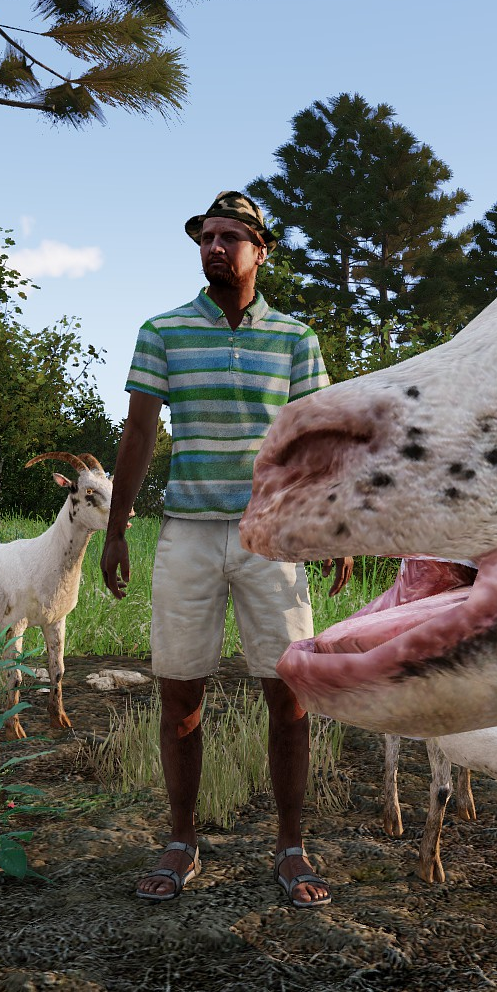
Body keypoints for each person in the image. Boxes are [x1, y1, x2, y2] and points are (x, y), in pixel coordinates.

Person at [101, 190, 353, 908]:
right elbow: (139, 433)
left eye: (230, 237)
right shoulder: (164, 331)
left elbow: (315, 440)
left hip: (271, 536)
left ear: (260, 250)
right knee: (180, 691)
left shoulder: (296, 339)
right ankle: (181, 841)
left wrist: (335, 524)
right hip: (187, 533)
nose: (215, 247)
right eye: (206, 237)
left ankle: (292, 847)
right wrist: (116, 528)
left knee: (289, 691)